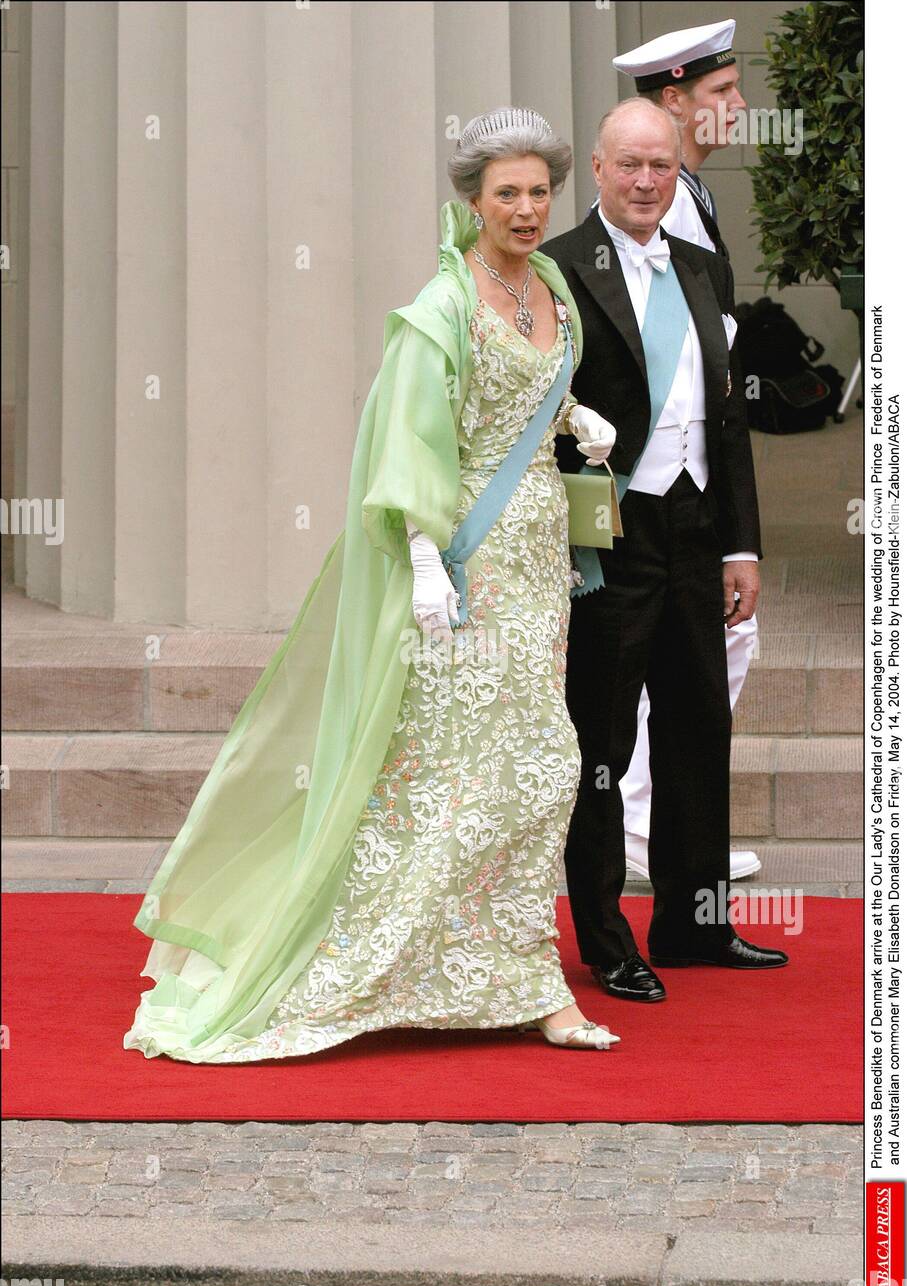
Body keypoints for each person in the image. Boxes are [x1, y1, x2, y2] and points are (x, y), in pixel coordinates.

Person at [122, 106, 623, 1063]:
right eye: (506, 194)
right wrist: (430, 563)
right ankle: (388, 961)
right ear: (471, 201)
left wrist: (574, 417)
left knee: (537, 770)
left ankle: (520, 974)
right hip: (466, 573)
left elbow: (520, 385)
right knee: (445, 774)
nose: (526, 209)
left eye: (537, 191)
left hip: (539, 564)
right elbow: (406, 439)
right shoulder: (439, 307)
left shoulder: (551, 282)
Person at [542, 98, 788, 1006]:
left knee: (697, 728)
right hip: (608, 535)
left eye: (662, 166)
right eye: (629, 165)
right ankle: (605, 942)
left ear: (676, 172)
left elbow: (725, 422)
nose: (646, 181)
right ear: (598, 172)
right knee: (601, 744)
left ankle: (693, 922)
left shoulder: (702, 268)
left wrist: (742, 546)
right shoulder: (558, 269)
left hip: (695, 529)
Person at [611, 19, 762, 888]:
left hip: (697, 462)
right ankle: (643, 823)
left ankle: (655, 821)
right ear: (672, 102)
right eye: (720, 93)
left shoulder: (693, 194)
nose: (739, 106)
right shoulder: (662, 200)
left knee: (716, 640)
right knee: (698, 641)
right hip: (662, 473)